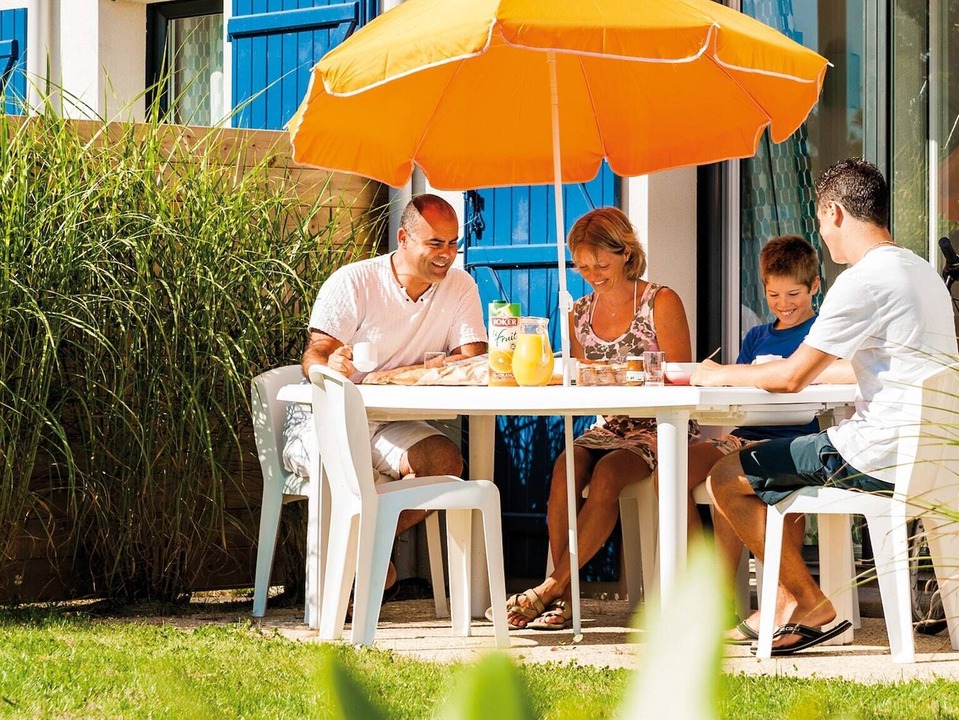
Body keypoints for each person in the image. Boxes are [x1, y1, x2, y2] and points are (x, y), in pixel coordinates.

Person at [693, 158, 959, 654]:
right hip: (925, 454)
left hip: (874, 453)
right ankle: (788, 602)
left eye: (820, 222)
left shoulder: (862, 280)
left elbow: (793, 376)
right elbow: (853, 367)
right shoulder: (918, 271)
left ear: (835, 212)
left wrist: (716, 374)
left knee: (726, 476)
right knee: (767, 460)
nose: (823, 235)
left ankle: (806, 600)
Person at [498, 207, 695, 631]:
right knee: (563, 471)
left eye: (602, 263)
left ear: (626, 253)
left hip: (659, 425)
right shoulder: (578, 313)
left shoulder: (660, 301)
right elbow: (586, 381)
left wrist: (632, 378)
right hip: (612, 425)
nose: (593, 273)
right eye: (583, 266)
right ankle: (564, 599)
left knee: (606, 475)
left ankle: (551, 586)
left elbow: (681, 375)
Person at [281, 193, 488, 591]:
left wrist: (407, 372)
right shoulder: (354, 281)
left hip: (391, 421)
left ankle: (368, 545)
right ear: (403, 238)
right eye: (435, 243)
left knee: (445, 461)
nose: (447, 254)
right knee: (348, 470)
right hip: (328, 419)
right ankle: (359, 570)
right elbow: (314, 355)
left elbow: (472, 359)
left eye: (452, 243)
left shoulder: (460, 286)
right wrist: (332, 366)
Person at [684, 235, 824, 550]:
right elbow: (736, 390)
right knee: (670, 475)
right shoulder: (757, 336)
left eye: (793, 294)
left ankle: (732, 590)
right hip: (742, 434)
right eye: (773, 294)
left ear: (814, 286)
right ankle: (705, 579)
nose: (784, 304)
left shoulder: (820, 335)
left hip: (792, 438)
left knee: (725, 477)